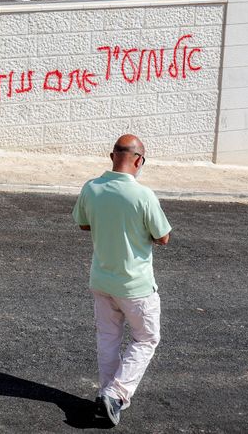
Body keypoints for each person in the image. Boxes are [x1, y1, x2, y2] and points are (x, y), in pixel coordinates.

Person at [72, 134, 172, 427]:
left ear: (112, 156)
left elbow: (83, 223)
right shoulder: (143, 195)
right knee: (147, 338)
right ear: (139, 160)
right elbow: (163, 237)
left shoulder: (91, 188)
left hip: (102, 280)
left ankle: (106, 396)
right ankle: (115, 394)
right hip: (135, 285)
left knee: (108, 339)